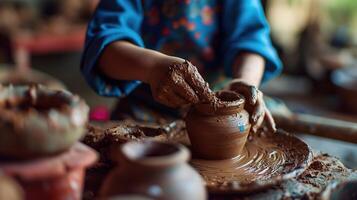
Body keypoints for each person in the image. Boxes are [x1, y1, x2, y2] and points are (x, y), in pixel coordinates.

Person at [81, 0, 282, 132]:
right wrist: (153, 68)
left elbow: (251, 40)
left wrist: (245, 81)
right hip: (147, 107)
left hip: (225, 106)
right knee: (119, 149)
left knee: (275, 129)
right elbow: (104, 47)